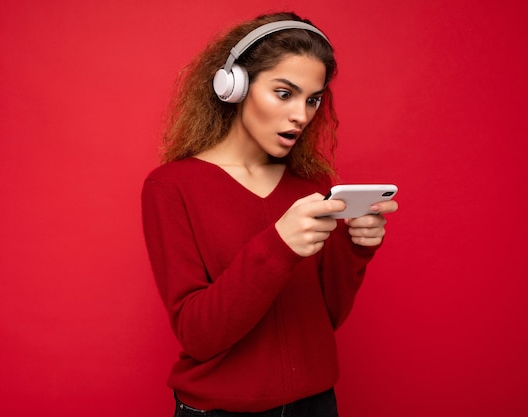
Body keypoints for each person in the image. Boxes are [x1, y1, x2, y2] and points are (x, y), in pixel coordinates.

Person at [141, 11, 398, 417]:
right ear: (234, 86)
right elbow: (198, 335)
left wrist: (354, 249)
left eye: (312, 99)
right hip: (221, 411)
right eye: (284, 93)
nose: (301, 114)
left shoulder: (310, 187)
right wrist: (278, 246)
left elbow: (325, 318)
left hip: (316, 406)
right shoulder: (171, 187)